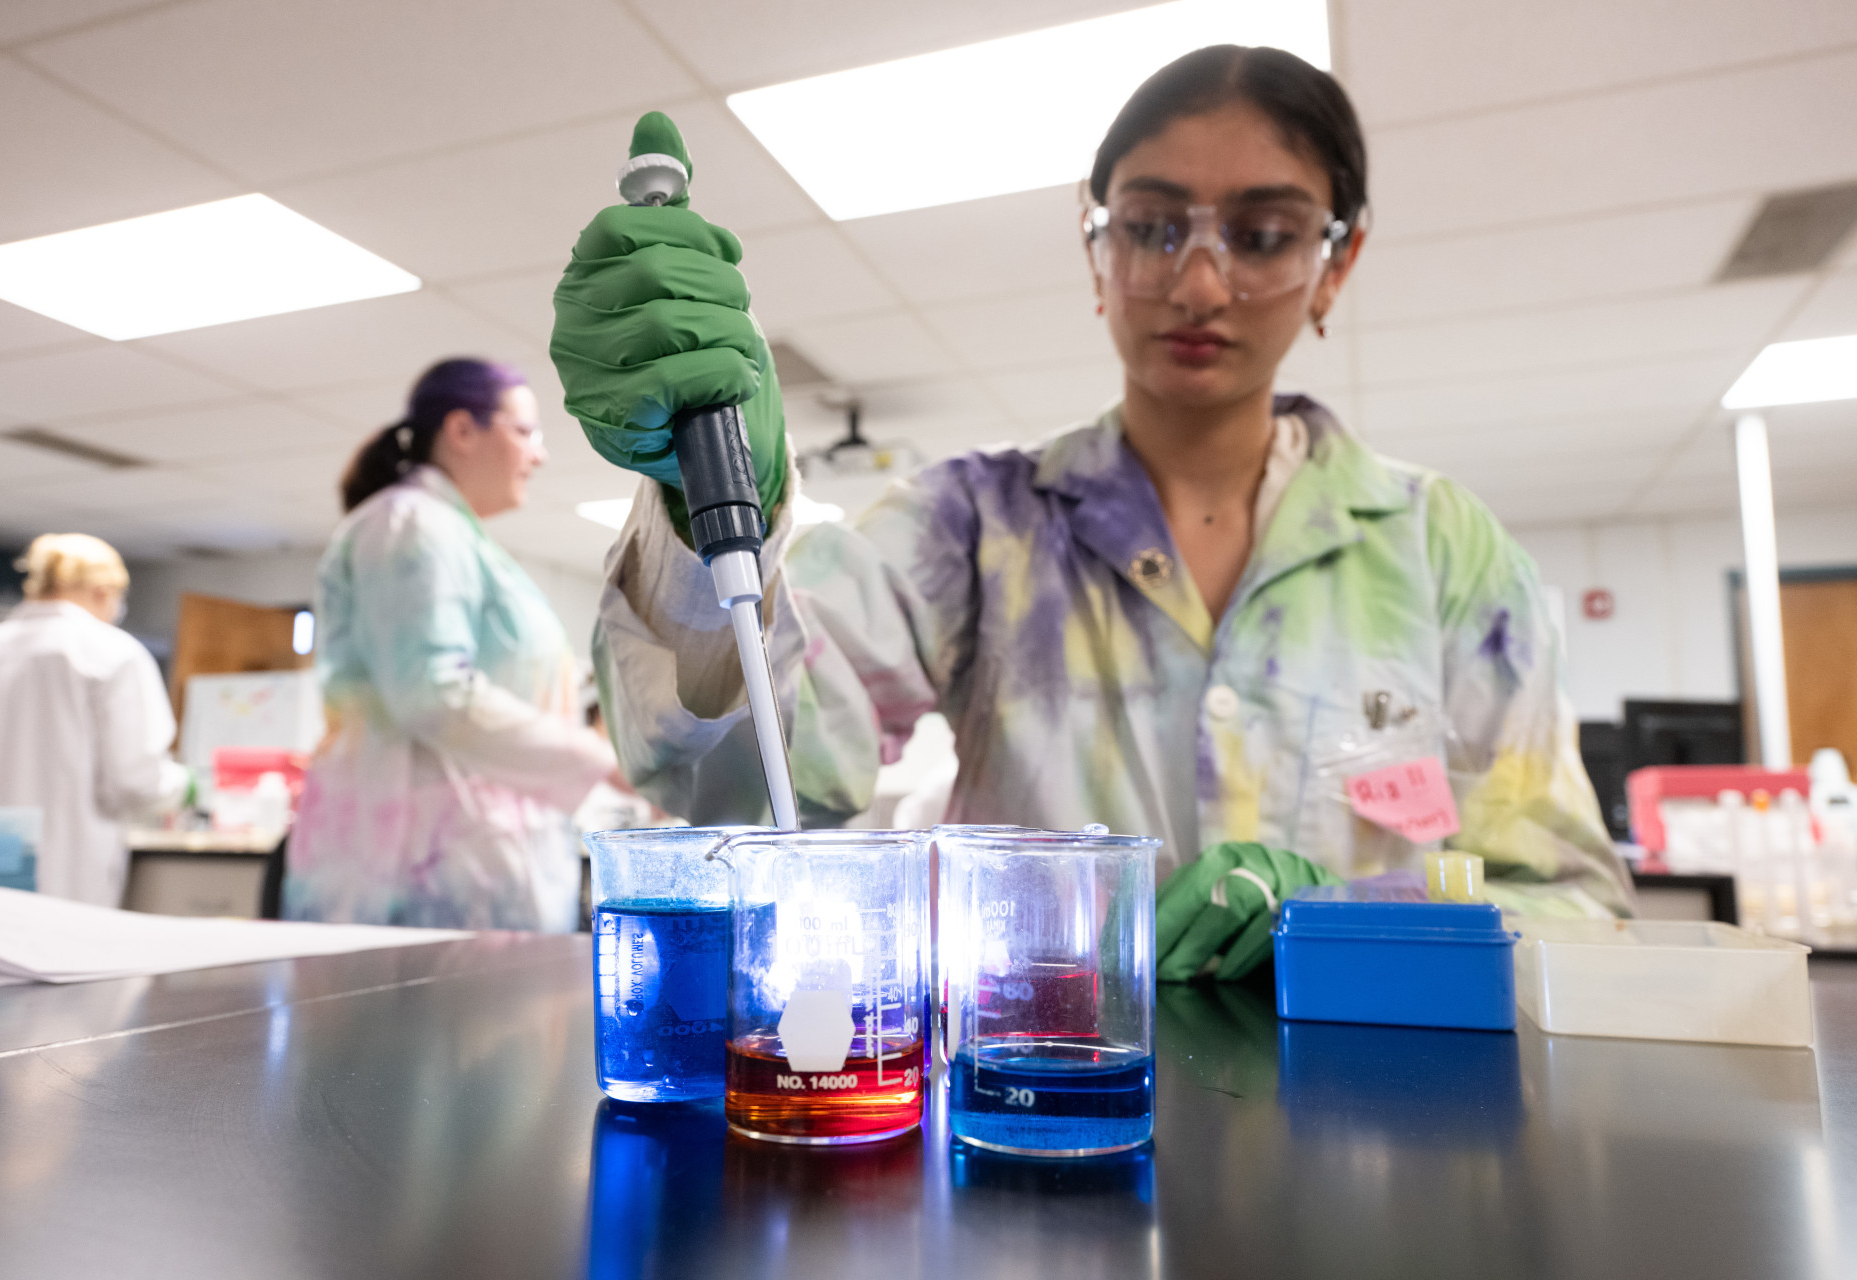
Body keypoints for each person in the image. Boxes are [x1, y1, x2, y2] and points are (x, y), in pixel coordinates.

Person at [551, 48, 1634, 978]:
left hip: (1377, 1148)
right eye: (1155, 226)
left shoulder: (1440, 548)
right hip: (1035, 1128)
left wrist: (1351, 921)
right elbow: (739, 793)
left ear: (1334, 263)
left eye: (1261, 234)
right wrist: (708, 518)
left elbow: (1576, 909)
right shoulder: (973, 525)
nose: (1201, 284)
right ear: (1095, 246)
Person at [286, 358, 618, 931]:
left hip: (461, 857)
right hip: (418, 869)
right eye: (524, 432)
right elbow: (432, 692)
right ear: (462, 430)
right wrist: (605, 762)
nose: (538, 455)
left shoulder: (452, 535)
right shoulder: (410, 525)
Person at [0, 533, 190, 906]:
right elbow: (134, 782)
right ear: (103, 591)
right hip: (58, 865)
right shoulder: (112, 653)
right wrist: (184, 785)